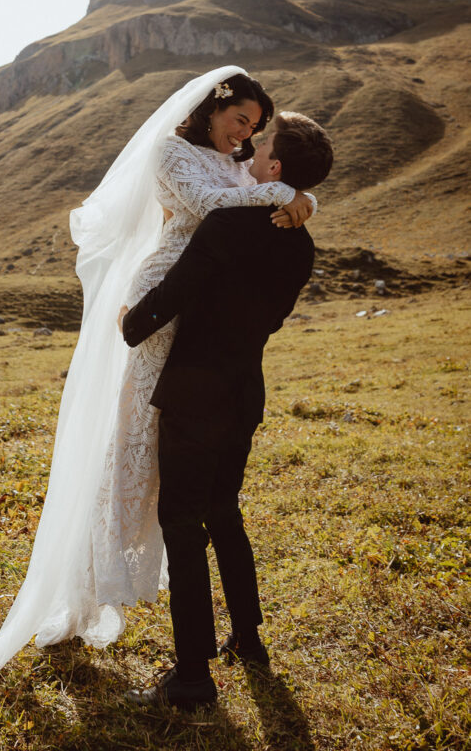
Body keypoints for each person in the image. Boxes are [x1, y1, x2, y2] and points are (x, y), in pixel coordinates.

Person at [0, 67, 315, 683]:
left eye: (257, 131)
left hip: (189, 336)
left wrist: (294, 194)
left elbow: (223, 225)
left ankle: (193, 669)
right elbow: (222, 211)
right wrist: (296, 195)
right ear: (212, 109)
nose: (246, 138)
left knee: (182, 502)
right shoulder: (249, 203)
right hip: (218, 352)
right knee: (195, 485)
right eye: (240, 121)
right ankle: (232, 635)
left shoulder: (240, 193)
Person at [120, 112, 334, 710]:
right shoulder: (302, 246)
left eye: (261, 149)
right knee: (224, 513)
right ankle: (250, 640)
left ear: (276, 167)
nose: (251, 154)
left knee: (182, 525)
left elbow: (174, 294)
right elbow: (269, 320)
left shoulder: (225, 226)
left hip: (194, 394)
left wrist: (131, 322)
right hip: (243, 394)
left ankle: (191, 678)